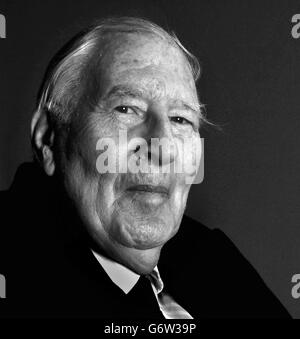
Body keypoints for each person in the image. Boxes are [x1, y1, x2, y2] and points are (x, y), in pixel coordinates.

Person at [0, 17, 290, 318]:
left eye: (180, 119)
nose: (162, 147)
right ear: (48, 138)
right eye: (126, 109)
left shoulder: (213, 260)